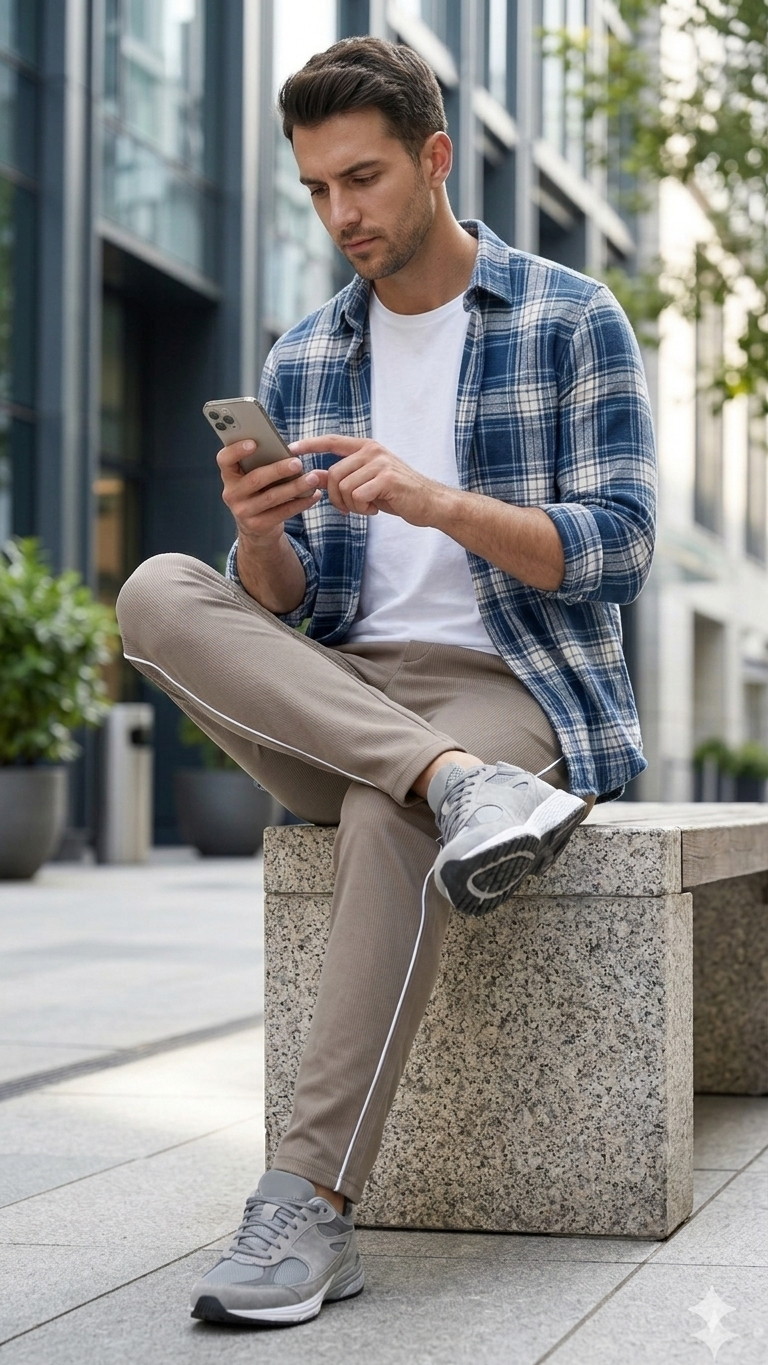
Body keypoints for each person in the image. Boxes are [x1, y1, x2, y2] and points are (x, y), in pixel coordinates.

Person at [116, 36, 656, 1328]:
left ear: (433, 159)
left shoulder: (572, 318)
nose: (340, 215)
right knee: (152, 592)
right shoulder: (308, 355)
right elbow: (300, 606)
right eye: (314, 190)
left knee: (382, 812)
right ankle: (459, 789)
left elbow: (621, 547)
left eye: (361, 179)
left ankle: (307, 1206)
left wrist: (434, 500)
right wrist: (258, 539)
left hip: (507, 682)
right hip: (350, 687)